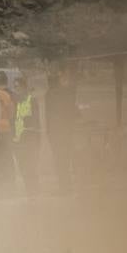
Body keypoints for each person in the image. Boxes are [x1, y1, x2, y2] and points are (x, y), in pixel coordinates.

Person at [45, 65, 79, 193]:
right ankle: (66, 185)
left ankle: (65, 185)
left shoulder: (54, 94)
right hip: (61, 131)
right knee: (63, 158)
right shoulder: (66, 92)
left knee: (61, 159)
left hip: (59, 131)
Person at [14, 78, 42, 195]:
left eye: (18, 86)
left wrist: (37, 137)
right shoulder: (15, 101)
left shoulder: (32, 100)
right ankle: (29, 188)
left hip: (30, 137)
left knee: (31, 164)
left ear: (24, 87)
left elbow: (36, 119)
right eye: (15, 87)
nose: (16, 89)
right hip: (18, 138)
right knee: (22, 165)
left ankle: (34, 188)